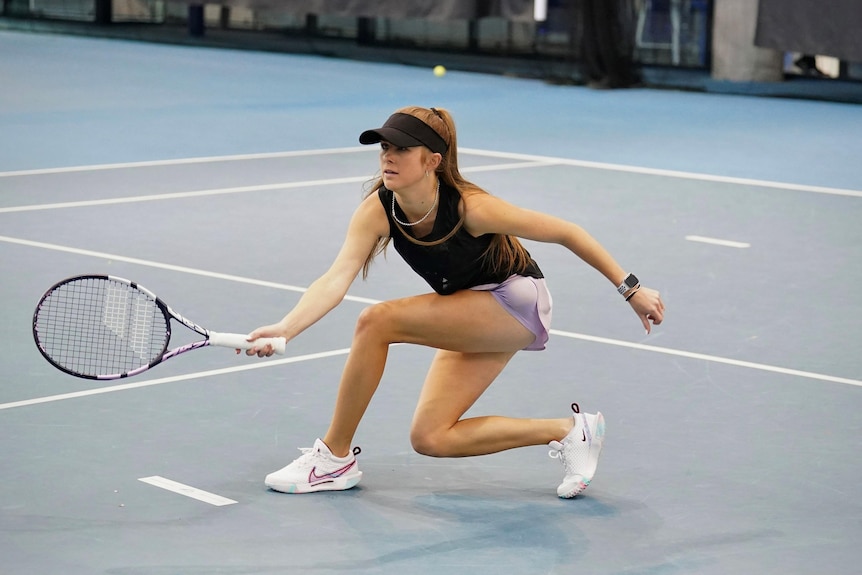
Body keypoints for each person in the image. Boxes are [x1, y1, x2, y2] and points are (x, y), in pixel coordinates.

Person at [242, 106, 665, 498]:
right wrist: (287, 327)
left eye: (403, 149)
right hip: (470, 308)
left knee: (377, 321)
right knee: (431, 437)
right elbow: (335, 278)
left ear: (433, 161)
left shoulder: (470, 208)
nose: (388, 157)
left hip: (515, 302)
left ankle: (333, 458)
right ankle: (573, 431)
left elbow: (566, 232)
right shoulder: (378, 209)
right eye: (385, 147)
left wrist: (630, 289)